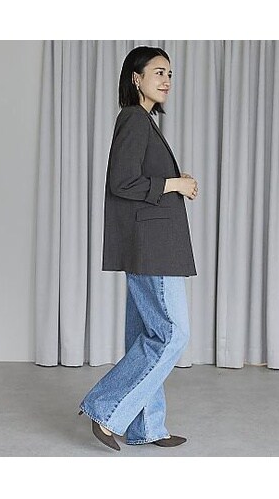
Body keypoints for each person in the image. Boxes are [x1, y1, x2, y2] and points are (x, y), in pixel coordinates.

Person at [78, 45, 199, 451]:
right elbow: (122, 182)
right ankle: (104, 407)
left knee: (145, 335)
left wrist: (173, 180)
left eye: (170, 74)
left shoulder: (144, 121)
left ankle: (146, 427)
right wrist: (174, 184)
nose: (166, 80)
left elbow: (137, 178)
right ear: (136, 77)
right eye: (159, 72)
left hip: (150, 244)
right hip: (152, 247)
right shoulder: (133, 118)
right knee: (171, 334)